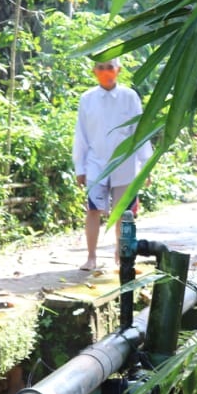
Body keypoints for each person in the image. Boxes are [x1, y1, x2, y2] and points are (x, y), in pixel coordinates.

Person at [72, 57, 151, 271]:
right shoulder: (87, 99)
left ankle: (122, 253)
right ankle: (91, 257)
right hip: (96, 163)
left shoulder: (129, 97)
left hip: (126, 163)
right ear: (94, 71)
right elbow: (81, 135)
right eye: (101, 68)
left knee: (123, 212)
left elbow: (140, 131)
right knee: (93, 210)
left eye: (110, 67)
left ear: (118, 70)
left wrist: (146, 165)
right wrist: (80, 167)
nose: (105, 72)